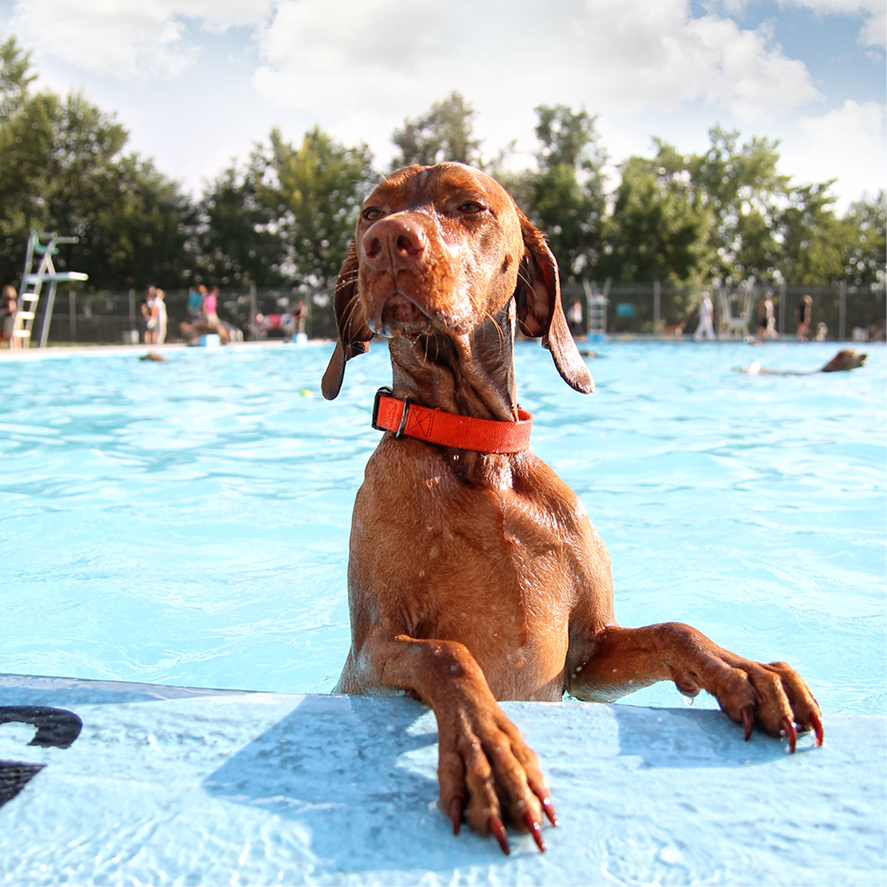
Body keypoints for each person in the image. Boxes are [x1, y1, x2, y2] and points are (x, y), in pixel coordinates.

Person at [1, 284, 18, 349]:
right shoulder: (14, 300)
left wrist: (2, 311)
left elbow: (11, 309)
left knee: (11, 334)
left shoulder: (10, 300)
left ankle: (13, 347)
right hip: (13, 318)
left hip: (10, 318)